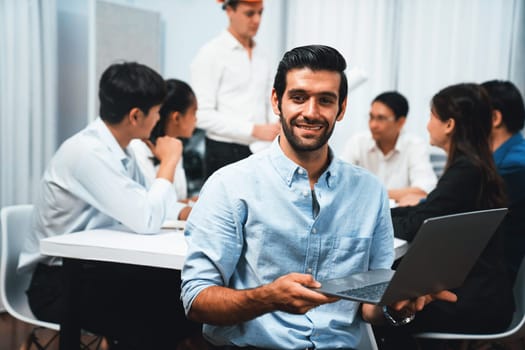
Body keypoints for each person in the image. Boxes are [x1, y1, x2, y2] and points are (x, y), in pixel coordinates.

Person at [181, 45, 456, 349]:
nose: (311, 113)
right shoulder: (229, 185)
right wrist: (266, 298)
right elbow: (196, 300)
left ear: (341, 108)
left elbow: (369, 307)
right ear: (276, 101)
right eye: (298, 97)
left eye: (325, 100)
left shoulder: (369, 191)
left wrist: (397, 304)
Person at [18, 62, 202, 350]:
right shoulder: (87, 153)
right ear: (135, 115)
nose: (158, 120)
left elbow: (144, 200)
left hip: (98, 270)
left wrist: (183, 211)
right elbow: (145, 217)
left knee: (183, 296)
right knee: (158, 318)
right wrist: (168, 162)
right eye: (156, 113)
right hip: (59, 283)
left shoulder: (120, 148)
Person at [377, 83, 515, 349]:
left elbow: (418, 225)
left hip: (473, 302)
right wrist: (386, 212)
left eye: (431, 116)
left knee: (381, 314)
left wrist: (375, 219)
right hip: (485, 293)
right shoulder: (477, 167)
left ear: (449, 125)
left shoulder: (466, 172)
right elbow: (425, 210)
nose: (428, 125)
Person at [190, 0, 280, 179]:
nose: (257, 20)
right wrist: (253, 130)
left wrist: (277, 125)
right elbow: (201, 115)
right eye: (249, 14)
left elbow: (270, 98)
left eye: (260, 13)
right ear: (229, 11)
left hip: (262, 150)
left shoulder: (264, 55)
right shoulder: (210, 54)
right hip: (224, 152)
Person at [341, 91, 437, 204]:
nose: (373, 125)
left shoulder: (414, 145)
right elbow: (339, 183)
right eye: (371, 117)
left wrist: (370, 193)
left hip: (399, 216)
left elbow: (424, 190)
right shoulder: (358, 142)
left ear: (400, 122)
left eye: (381, 118)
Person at [129, 78, 198, 220]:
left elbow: (173, 199)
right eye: (194, 112)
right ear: (176, 117)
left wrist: (192, 202)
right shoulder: (138, 149)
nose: (196, 119)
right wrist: (189, 211)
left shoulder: (175, 146)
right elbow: (150, 206)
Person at [482, 80, 525, 284]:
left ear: (494, 118)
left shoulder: (514, 166)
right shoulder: (507, 158)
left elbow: (463, 212)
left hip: (496, 278)